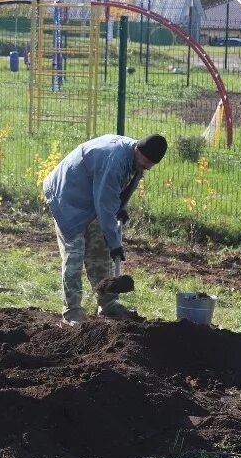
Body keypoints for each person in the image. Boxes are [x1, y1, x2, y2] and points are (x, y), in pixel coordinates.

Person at [42, 133, 167, 326]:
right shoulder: (115, 161)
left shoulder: (135, 159)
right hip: (66, 196)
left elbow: (125, 186)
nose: (143, 169)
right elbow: (104, 203)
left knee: (100, 252)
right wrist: (115, 244)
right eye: (143, 165)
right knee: (75, 253)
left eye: (147, 168)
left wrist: (121, 207)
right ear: (137, 150)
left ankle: (108, 305)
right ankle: (72, 311)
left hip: (90, 195)